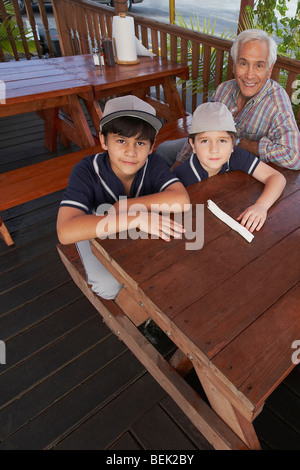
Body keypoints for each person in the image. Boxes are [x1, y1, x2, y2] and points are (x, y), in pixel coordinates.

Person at [57, 95, 190, 302]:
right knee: (108, 287)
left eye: (140, 142)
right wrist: (136, 217)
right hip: (95, 228)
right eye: (121, 141)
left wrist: (126, 206)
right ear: (103, 140)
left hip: (136, 228)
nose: (131, 152)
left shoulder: (152, 163)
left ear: (152, 146)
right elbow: (65, 231)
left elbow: (181, 199)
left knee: (168, 265)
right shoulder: (86, 170)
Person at [158, 29, 300, 171]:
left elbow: (294, 157)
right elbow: (200, 129)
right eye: (243, 63)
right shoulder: (223, 90)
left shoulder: (277, 104)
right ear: (234, 65)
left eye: (259, 66)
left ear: (269, 70)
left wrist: (246, 144)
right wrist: (178, 164)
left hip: (233, 168)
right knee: (163, 150)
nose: (250, 75)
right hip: (208, 148)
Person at [174, 102, 286, 233]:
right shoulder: (183, 176)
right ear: (193, 145)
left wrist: (261, 206)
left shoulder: (237, 155)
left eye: (222, 140)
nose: (214, 149)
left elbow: (277, 177)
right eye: (205, 141)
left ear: (233, 144)